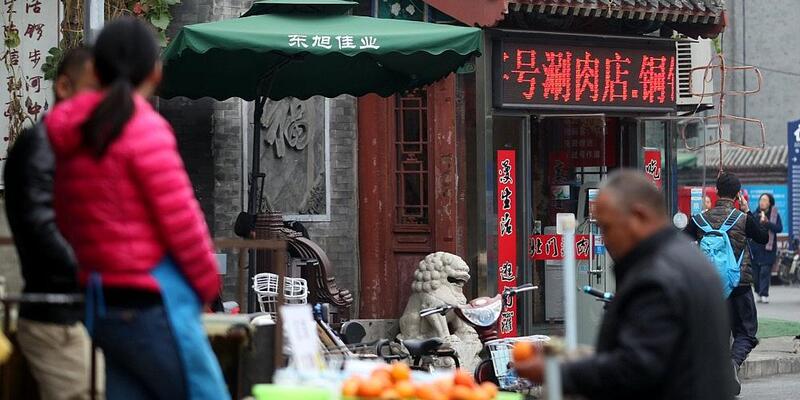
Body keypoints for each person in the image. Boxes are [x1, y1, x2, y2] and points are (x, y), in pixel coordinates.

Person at [45, 18, 228, 399]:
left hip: (101, 304)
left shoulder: (70, 134)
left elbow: (64, 220)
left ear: (95, 70)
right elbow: (183, 224)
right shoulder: (143, 128)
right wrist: (209, 285)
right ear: (155, 71)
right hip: (151, 305)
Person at [515, 170, 734, 400]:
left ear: (638, 216)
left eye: (607, 228)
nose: (605, 239)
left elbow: (636, 369)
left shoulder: (656, 276)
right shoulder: (691, 260)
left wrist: (555, 371)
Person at [3, 47, 104, 400]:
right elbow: (40, 227)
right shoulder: (40, 146)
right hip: (55, 316)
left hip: (72, 311)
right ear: (64, 86)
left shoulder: (66, 149)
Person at [684, 172, 768, 395]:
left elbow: (680, 241)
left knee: (715, 332)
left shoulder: (700, 219)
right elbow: (763, 237)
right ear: (738, 194)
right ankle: (732, 363)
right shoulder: (743, 218)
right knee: (747, 332)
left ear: (717, 191)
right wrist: (748, 209)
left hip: (709, 287)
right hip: (738, 285)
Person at [750, 193, 783, 304]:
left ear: (770, 203)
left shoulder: (774, 215)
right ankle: (758, 291)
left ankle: (764, 294)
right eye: (761, 200)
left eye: (765, 200)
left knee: (765, 272)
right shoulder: (754, 214)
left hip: (768, 249)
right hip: (756, 249)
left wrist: (767, 223)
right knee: (755, 275)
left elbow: (779, 228)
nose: (762, 202)